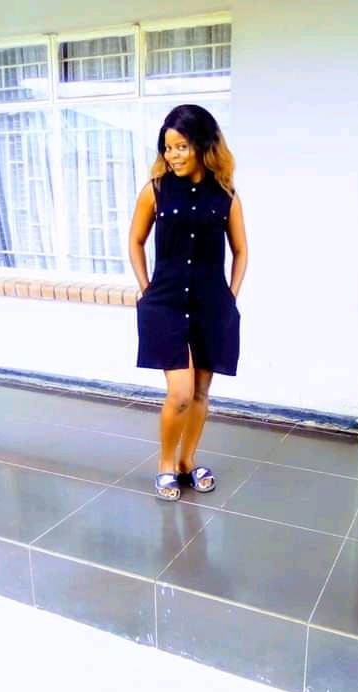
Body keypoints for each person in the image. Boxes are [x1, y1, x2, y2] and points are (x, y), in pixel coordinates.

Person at [129, 104, 248, 501]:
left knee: (200, 393)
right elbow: (135, 241)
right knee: (180, 393)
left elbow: (241, 251)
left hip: (211, 307)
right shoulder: (155, 190)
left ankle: (186, 463)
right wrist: (146, 289)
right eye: (168, 148)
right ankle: (165, 464)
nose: (173, 155)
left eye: (181, 146)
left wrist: (230, 297)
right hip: (165, 304)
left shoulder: (226, 195)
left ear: (202, 145)